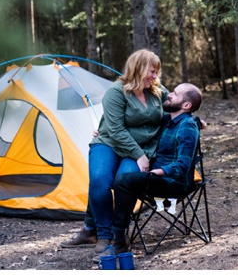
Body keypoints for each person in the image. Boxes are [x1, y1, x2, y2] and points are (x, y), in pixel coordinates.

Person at [61, 49, 168, 258]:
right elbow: (116, 130)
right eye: (152, 72)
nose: (155, 77)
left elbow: (177, 104)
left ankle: (115, 233)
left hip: (139, 148)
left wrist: (192, 119)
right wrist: (139, 155)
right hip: (110, 143)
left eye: (157, 73)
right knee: (100, 180)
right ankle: (102, 235)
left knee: (124, 183)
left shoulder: (156, 91)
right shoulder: (116, 92)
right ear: (139, 69)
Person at [98, 82, 203, 260]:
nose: (169, 94)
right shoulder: (167, 120)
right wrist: (102, 132)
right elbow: (138, 124)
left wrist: (158, 172)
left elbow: (183, 166)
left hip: (174, 183)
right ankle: (107, 232)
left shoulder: (187, 128)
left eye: (175, 94)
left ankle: (118, 240)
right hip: (157, 178)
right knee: (110, 179)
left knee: (124, 181)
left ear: (186, 105)